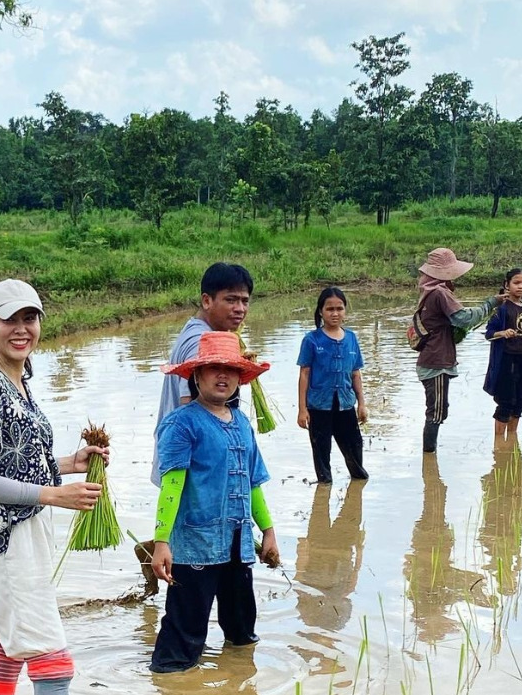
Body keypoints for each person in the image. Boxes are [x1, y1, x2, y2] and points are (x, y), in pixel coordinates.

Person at [0, 278, 106, 695]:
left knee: (4, 650)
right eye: (10, 319)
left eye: (30, 318)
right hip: (4, 542)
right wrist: (53, 495)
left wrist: (69, 462)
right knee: (51, 659)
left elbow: (14, 461)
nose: (22, 329)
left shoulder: (17, 380)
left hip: (18, 537)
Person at [149, 331, 279, 672]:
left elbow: (253, 484)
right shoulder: (181, 423)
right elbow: (171, 486)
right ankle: (172, 692)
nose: (223, 376)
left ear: (240, 378)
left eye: (231, 370)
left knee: (242, 634)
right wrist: (162, 541)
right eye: (213, 368)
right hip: (196, 545)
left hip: (237, 545)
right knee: (184, 635)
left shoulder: (242, 424)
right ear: (196, 374)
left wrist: (268, 531)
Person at [140, 262, 271, 594]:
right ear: (206, 300)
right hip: (194, 468)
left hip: (209, 469)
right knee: (195, 557)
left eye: (244, 300)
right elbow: (192, 414)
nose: (240, 308)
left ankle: (155, 547)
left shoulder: (214, 337)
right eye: (230, 299)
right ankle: (159, 547)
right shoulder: (198, 343)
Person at [415, 247, 504, 453]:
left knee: (437, 411)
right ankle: (429, 459)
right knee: (436, 413)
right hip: (436, 362)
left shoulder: (429, 292)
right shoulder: (439, 293)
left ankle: (430, 463)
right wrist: (491, 302)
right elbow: (465, 318)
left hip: (431, 358)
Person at [297, 286, 368, 484]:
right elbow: (304, 374)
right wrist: (302, 410)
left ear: (345, 310)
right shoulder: (311, 340)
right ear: (321, 311)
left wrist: (361, 403)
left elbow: (355, 373)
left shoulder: (352, 338)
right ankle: (324, 488)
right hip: (319, 405)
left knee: (354, 449)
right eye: (330, 309)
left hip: (345, 404)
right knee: (321, 452)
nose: (335, 313)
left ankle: (356, 494)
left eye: (339, 308)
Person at [483, 267, 522, 444]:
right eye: (516, 283)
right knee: (506, 401)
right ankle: (499, 445)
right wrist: (502, 333)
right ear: (507, 285)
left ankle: (511, 443)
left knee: (520, 400)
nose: (521, 287)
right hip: (506, 359)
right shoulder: (501, 308)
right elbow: (489, 333)